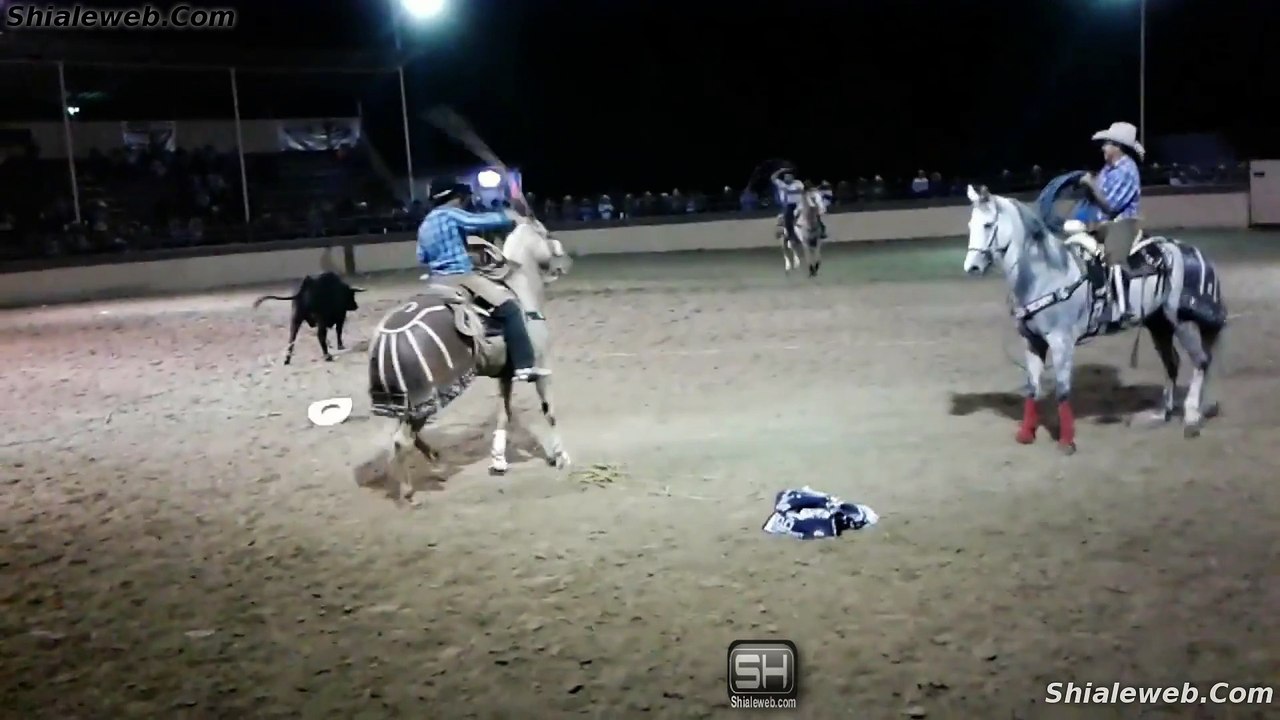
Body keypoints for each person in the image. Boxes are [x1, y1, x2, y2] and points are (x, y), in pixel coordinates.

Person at [417, 182, 549, 382]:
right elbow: (477, 222)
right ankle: (524, 366)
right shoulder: (449, 213)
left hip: (436, 281)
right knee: (510, 307)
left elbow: (422, 257)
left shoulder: (425, 223)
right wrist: (509, 217)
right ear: (455, 197)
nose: (464, 202)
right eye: (463, 198)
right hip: (460, 277)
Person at [1062, 121, 1148, 323]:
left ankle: (1122, 309)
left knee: (1113, 258)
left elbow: (1111, 206)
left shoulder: (1127, 170)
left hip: (1123, 222)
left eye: (1107, 144)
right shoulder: (1107, 170)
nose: (1103, 148)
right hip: (1104, 224)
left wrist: (1091, 185)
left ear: (1118, 147)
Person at [770, 167, 804, 246]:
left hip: (797, 204)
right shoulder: (781, 183)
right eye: (786, 177)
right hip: (786, 205)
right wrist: (780, 170)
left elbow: (800, 190)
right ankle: (791, 237)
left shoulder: (797, 183)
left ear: (792, 177)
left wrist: (788, 191)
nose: (787, 178)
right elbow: (773, 178)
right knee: (785, 219)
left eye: (789, 176)